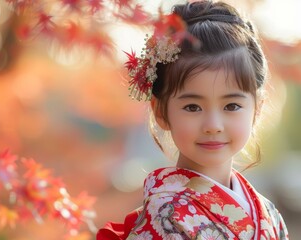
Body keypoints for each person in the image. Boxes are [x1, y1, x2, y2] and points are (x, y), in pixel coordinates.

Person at [97, 1, 289, 239]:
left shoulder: (268, 212)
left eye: (231, 106)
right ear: (160, 111)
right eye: (192, 107)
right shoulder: (165, 218)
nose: (212, 126)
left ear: (257, 109)